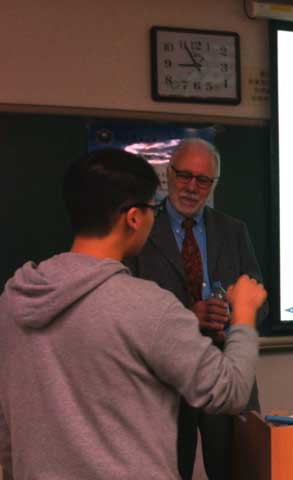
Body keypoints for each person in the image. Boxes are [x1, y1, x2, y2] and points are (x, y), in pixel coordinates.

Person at [0, 148, 266, 480]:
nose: (191, 187)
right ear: (135, 218)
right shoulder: (147, 306)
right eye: (153, 208)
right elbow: (231, 390)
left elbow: (7, 425)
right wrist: (244, 314)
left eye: (202, 180)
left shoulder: (13, 299)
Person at [125, 138, 265, 480]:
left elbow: (259, 301)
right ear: (168, 175)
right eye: (184, 175)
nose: (191, 187)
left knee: (238, 470)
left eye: (202, 180)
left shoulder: (233, 231)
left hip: (225, 370)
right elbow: (127, 308)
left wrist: (234, 318)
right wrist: (189, 316)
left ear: (213, 184)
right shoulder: (141, 229)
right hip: (165, 379)